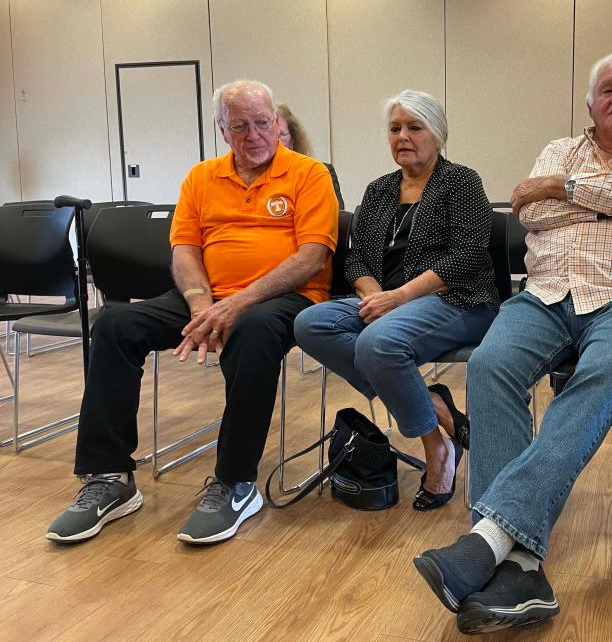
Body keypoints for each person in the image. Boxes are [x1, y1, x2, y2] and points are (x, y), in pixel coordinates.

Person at [414, 51, 612, 634]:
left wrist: (568, 193)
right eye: (606, 88)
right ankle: (517, 565)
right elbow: (530, 212)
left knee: (601, 374)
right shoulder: (558, 148)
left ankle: (488, 540)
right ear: (590, 103)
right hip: (546, 292)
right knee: (490, 365)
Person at [46, 80, 339, 545]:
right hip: (206, 295)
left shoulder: (309, 174)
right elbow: (184, 248)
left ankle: (235, 482)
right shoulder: (201, 177)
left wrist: (237, 303)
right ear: (223, 130)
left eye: (263, 123)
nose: (255, 135)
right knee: (116, 323)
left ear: (277, 123)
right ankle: (110, 478)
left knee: (254, 330)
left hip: (285, 298)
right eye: (240, 126)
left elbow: (312, 256)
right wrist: (203, 303)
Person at [295, 90, 498, 510]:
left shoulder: (461, 182)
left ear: (437, 135)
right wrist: (374, 296)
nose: (403, 136)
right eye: (395, 128)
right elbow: (357, 260)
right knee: (310, 324)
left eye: (414, 127)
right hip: (387, 304)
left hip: (457, 300)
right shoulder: (379, 189)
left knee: (378, 344)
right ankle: (434, 404)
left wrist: (399, 298)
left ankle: (436, 449)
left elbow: (467, 256)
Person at [277, 103, 344, 209]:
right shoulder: (250, 179)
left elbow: (335, 219)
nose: (274, 142)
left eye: (280, 135)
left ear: (293, 138)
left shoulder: (318, 173)